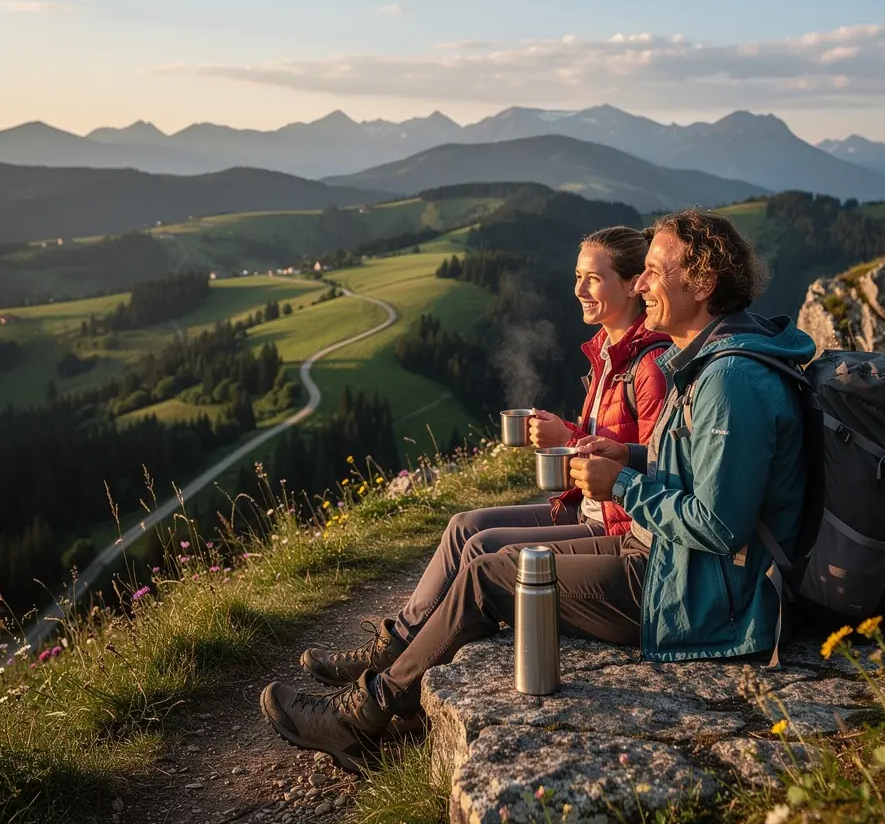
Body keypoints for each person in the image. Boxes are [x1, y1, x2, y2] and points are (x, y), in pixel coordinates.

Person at [260, 210, 816, 771]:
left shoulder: (729, 381)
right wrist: (631, 455)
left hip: (697, 594)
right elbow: (699, 468)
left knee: (490, 576)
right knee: (489, 555)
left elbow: (720, 525)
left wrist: (621, 482)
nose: (643, 284)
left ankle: (363, 718)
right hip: (675, 562)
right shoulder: (709, 362)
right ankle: (394, 698)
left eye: (651, 270)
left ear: (701, 284)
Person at [292, 226, 668, 693]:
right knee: (464, 526)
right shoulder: (609, 355)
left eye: (593, 278)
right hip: (590, 507)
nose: (578, 290)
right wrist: (565, 439)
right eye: (577, 277)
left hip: (615, 522)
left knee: (483, 548)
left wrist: (566, 438)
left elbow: (659, 465)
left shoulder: (648, 365)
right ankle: (396, 647)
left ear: (633, 284)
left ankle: (404, 672)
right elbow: (610, 443)